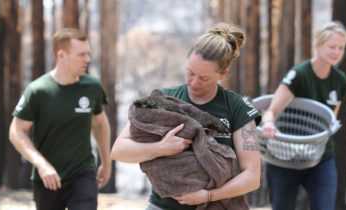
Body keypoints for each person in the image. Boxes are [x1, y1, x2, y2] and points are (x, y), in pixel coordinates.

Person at [111, 23, 262, 210]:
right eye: (190, 72)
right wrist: (160, 148)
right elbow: (118, 150)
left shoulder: (238, 108)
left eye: (204, 78)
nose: (194, 82)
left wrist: (209, 195)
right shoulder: (164, 101)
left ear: (223, 73)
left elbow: (253, 176)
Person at [8, 28, 111, 210]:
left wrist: (106, 161)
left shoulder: (92, 87)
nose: (87, 59)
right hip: (48, 179)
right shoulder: (38, 91)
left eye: (88, 54)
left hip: (83, 174)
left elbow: (100, 124)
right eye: (81, 54)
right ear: (61, 55)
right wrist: (41, 164)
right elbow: (16, 132)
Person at [260, 21, 346, 210]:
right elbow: (271, 111)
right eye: (331, 46)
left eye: (341, 48)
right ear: (318, 45)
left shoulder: (340, 80)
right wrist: (268, 125)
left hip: (320, 157)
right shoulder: (299, 75)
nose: (336, 52)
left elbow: (329, 118)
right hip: (284, 155)